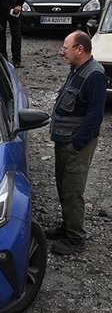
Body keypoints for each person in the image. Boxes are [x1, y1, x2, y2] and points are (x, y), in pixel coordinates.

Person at [48, 31, 107, 255]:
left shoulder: (94, 75)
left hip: (76, 145)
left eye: (66, 48)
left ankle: (75, 239)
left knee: (73, 191)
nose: (62, 52)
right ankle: (67, 227)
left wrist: (77, 145)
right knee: (63, 185)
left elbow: (95, 117)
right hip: (65, 141)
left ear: (79, 49)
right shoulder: (77, 69)